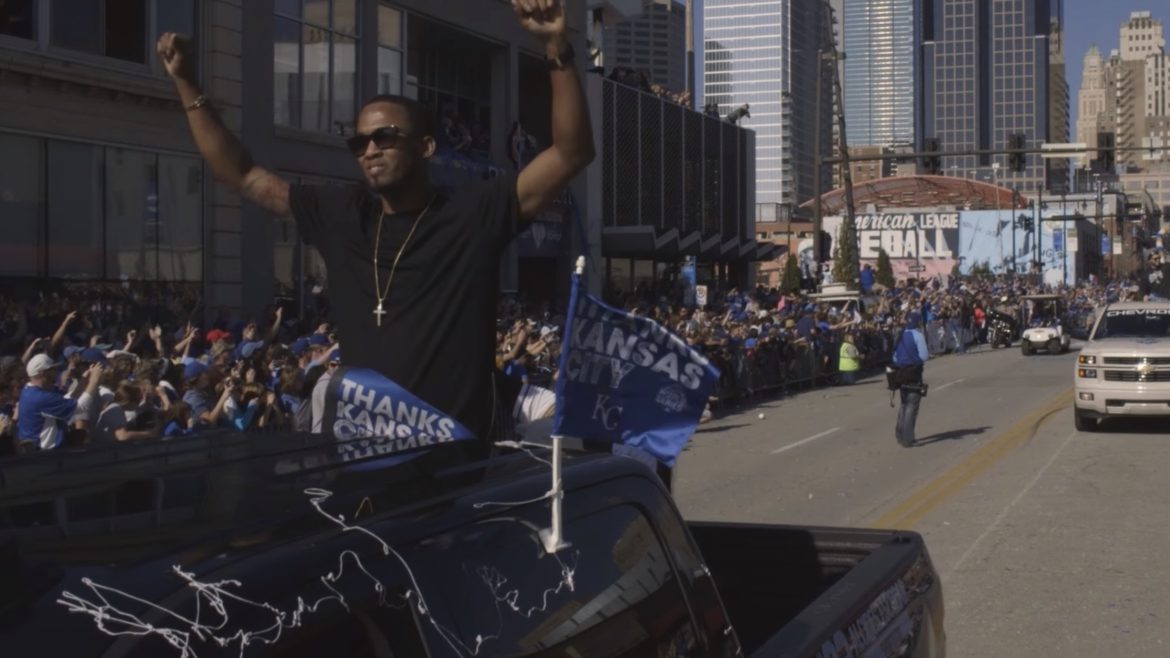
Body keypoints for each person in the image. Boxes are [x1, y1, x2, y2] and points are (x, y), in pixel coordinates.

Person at [155, 0, 593, 455]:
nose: (369, 149)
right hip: (363, 464)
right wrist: (188, 84)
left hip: (455, 469)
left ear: (425, 147)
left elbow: (571, 154)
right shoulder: (342, 213)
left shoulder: (472, 212)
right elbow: (242, 175)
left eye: (385, 137)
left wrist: (555, 47)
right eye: (359, 140)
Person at [890, 311, 929, 447]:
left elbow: (894, 356)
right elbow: (924, 356)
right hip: (913, 373)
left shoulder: (900, 334)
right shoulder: (918, 335)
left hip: (900, 373)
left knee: (904, 403)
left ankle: (900, 434)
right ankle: (908, 437)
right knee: (912, 405)